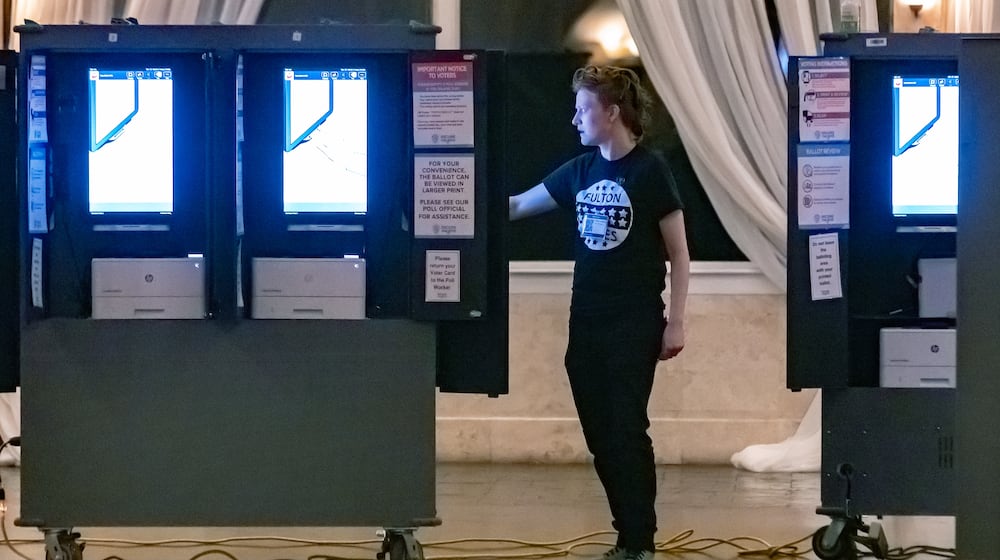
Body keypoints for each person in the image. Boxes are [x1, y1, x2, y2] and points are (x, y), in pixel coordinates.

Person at [508, 65, 689, 560]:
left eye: (583, 109)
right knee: (599, 434)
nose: (575, 119)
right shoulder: (581, 172)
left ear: (611, 113)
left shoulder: (651, 171)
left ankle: (640, 541)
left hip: (633, 324)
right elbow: (519, 207)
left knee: (627, 426)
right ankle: (625, 533)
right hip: (585, 323)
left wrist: (676, 320)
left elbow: (679, 253)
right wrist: (455, 203)